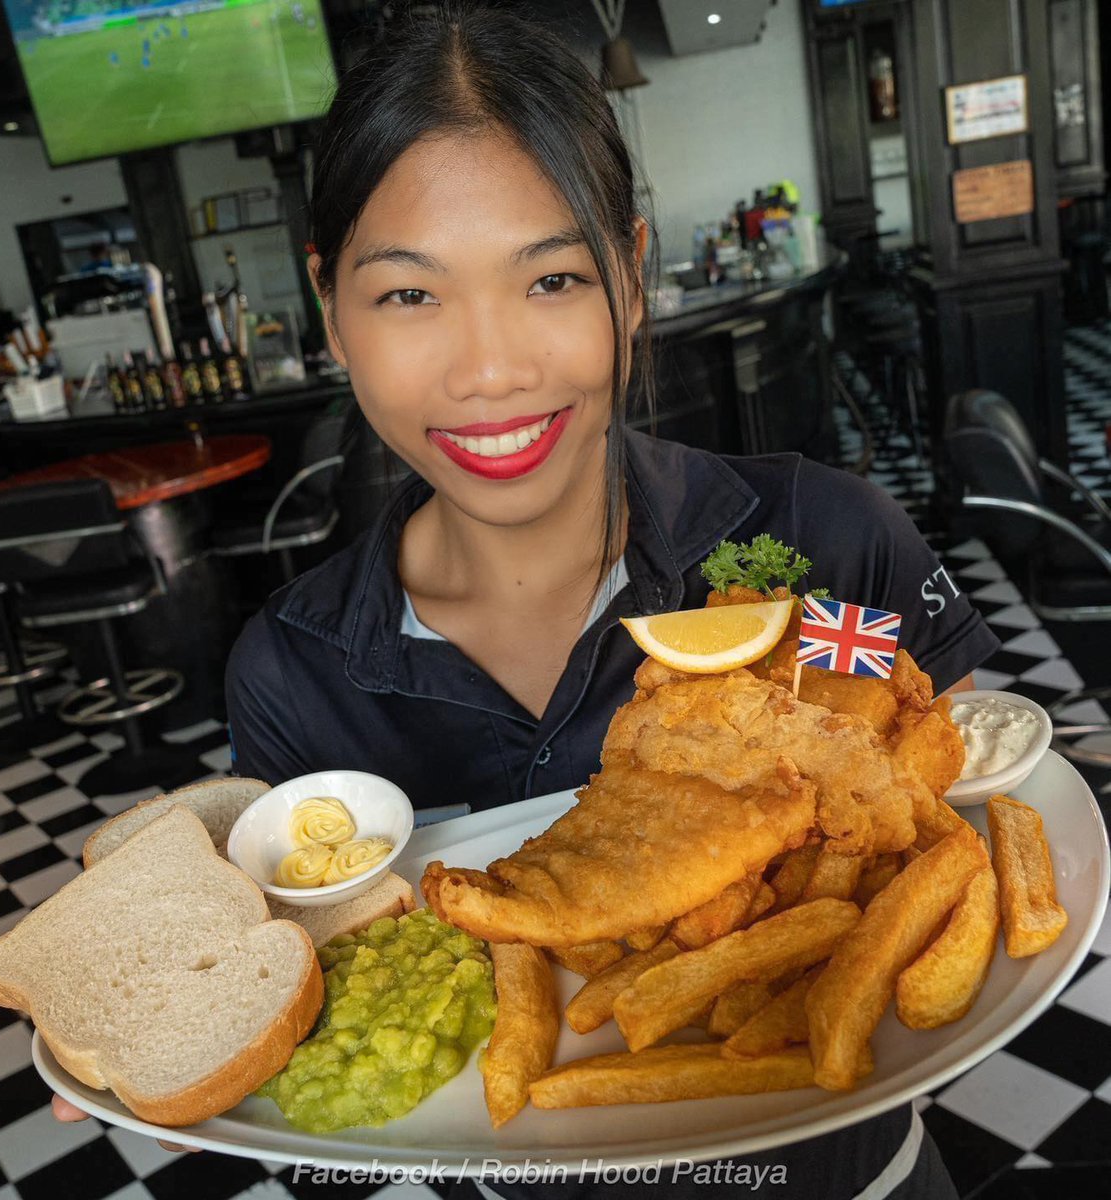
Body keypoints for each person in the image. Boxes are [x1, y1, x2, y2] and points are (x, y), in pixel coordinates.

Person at [59, 5, 999, 1195]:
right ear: (331, 311)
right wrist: (211, 1047)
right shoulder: (293, 671)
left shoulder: (825, 539)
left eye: (552, 277)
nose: (490, 368)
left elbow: (973, 822)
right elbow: (350, 1066)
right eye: (409, 295)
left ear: (633, 277)